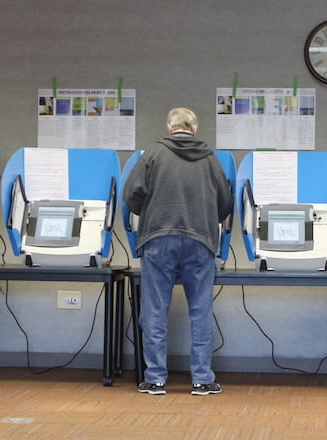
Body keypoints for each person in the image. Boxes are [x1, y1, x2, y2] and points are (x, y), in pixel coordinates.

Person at [123, 107, 233, 396]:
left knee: (155, 309)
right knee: (201, 310)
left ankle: (156, 379)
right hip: (200, 239)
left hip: (159, 237)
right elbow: (225, 202)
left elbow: (131, 194)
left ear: (169, 128)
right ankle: (202, 379)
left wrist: (147, 212)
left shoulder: (153, 155)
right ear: (194, 130)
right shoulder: (211, 159)